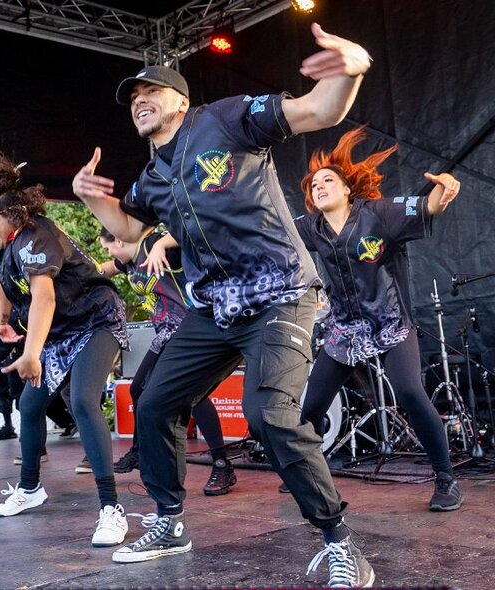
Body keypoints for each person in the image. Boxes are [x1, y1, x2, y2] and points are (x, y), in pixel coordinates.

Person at [72, 22, 376, 587]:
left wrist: (351, 71)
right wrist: (94, 201)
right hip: (215, 308)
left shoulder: (224, 119)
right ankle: (169, 522)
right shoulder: (153, 175)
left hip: (280, 293)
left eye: (151, 94)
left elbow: (318, 111)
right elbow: (129, 232)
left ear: (180, 100)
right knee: (155, 402)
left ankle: (340, 543)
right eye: (133, 100)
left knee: (268, 416)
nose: (140, 103)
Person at [293, 127, 463, 511]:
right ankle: (308, 476)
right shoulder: (310, 228)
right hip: (344, 331)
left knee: (408, 392)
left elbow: (430, 205)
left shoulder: (379, 215)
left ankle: (446, 480)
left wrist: (445, 187)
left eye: (327, 180)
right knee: (311, 408)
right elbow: (267, 232)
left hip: (389, 322)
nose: (319, 186)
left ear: (347, 189)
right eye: (313, 184)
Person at [0, 155, 130, 547]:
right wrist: (1, 320)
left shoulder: (35, 235)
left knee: (82, 400)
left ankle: (111, 508)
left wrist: (30, 353)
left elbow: (43, 297)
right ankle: (29, 489)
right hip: (62, 331)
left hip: (96, 320)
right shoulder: (10, 245)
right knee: (29, 406)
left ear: (11, 214)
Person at [100, 226, 236, 496]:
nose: (108, 252)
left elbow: (190, 232)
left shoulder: (151, 244)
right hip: (165, 333)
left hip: (189, 329)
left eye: (107, 246)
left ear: (118, 239)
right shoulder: (127, 260)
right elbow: (103, 268)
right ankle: (140, 451)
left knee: (193, 397)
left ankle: (222, 464)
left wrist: (161, 244)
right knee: (139, 389)